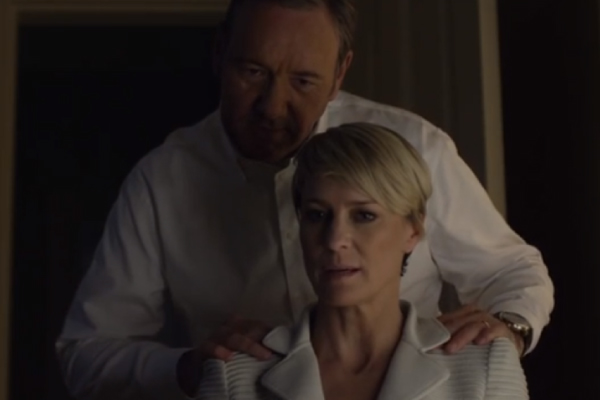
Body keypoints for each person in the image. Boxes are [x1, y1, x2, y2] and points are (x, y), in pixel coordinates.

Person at [56, 0, 552, 399]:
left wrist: (508, 332)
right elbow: (86, 353)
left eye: (303, 81)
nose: (273, 107)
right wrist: (189, 367)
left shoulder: (418, 148)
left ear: (340, 73)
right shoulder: (161, 181)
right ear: (220, 53)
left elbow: (514, 272)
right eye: (254, 71)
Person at [196, 122, 529, 400]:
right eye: (317, 215)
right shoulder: (236, 375)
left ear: (413, 231)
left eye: (364, 216)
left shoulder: (482, 367)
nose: (334, 240)